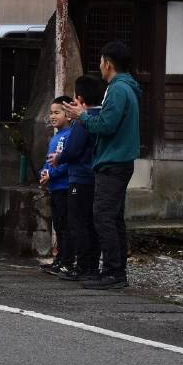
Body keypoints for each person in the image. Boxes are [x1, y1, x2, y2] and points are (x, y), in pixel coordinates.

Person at [64, 41, 142, 290]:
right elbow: (109, 121)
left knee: (103, 216)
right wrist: (85, 114)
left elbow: (106, 126)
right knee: (114, 217)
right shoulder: (125, 87)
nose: (99, 66)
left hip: (113, 161)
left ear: (107, 63)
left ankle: (112, 271)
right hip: (119, 160)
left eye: (100, 61)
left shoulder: (118, 89)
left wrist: (82, 116)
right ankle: (116, 270)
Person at [50, 75, 104, 281]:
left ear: (80, 98)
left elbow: (73, 149)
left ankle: (81, 266)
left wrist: (59, 158)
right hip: (95, 176)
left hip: (80, 177)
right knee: (91, 223)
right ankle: (91, 265)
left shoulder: (83, 119)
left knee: (78, 223)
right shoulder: (102, 116)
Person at [39, 96, 73, 276]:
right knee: (58, 225)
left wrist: (50, 174)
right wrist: (43, 174)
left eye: (57, 112)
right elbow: (48, 161)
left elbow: (67, 163)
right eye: (51, 113)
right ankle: (60, 259)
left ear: (68, 115)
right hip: (55, 186)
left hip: (64, 186)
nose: (52, 116)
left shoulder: (68, 136)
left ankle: (66, 261)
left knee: (65, 225)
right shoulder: (55, 137)